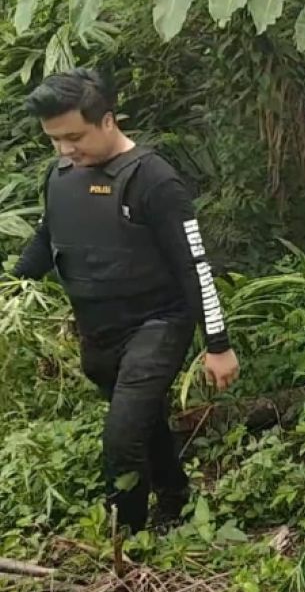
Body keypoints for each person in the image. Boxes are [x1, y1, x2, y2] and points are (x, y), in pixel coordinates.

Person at [5, 68, 239, 535]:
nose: (65, 149)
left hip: (156, 324)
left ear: (108, 120)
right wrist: (13, 286)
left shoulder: (153, 181)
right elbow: (49, 236)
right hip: (97, 330)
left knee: (121, 439)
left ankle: (127, 540)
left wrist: (218, 343)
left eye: (74, 137)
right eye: (54, 140)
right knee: (143, 421)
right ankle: (174, 498)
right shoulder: (62, 173)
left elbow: (194, 264)